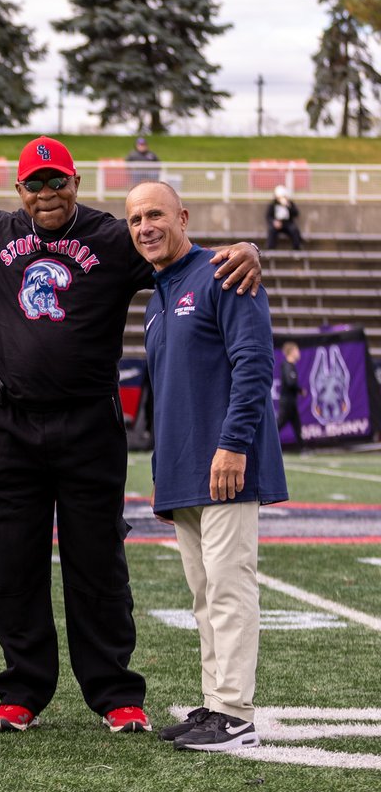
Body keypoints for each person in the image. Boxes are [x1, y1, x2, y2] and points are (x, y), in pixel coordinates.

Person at [0, 136, 262, 735]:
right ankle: (22, 691)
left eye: (56, 181)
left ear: (76, 182)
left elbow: (186, 255)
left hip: (89, 421)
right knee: (12, 560)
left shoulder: (117, 236)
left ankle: (115, 693)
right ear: (19, 190)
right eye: (34, 184)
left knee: (98, 561)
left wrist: (244, 249)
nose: (46, 193)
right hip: (9, 422)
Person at [126, 181, 287, 751]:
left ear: (183, 217)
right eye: (136, 218)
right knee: (203, 592)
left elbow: (254, 361)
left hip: (227, 463)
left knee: (228, 587)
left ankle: (236, 714)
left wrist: (234, 443)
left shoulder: (225, 272)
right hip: (185, 470)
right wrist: (164, 478)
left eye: (156, 214)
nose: (145, 226)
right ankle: (215, 705)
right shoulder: (156, 295)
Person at [276, 341, 304, 447]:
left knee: (297, 425)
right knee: (279, 424)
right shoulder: (287, 366)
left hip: (291, 402)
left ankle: (302, 448)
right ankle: (268, 445)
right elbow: (290, 382)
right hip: (287, 402)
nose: (298, 352)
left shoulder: (291, 365)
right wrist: (299, 390)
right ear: (291, 352)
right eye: (297, 350)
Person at [266, 185, 303, 250]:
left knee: (294, 230)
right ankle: (271, 249)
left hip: (287, 223)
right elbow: (268, 216)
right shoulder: (273, 204)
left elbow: (296, 214)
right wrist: (274, 222)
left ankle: (297, 248)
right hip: (277, 224)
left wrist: (288, 206)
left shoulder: (290, 203)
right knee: (271, 231)